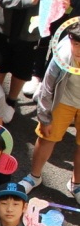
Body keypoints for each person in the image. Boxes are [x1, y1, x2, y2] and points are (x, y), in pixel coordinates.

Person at [19, 24, 80, 200]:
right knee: (47, 137)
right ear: (70, 40)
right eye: (76, 44)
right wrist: (44, 118)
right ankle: (34, 177)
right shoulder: (63, 55)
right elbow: (47, 87)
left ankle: (76, 183)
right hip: (64, 100)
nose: (79, 50)